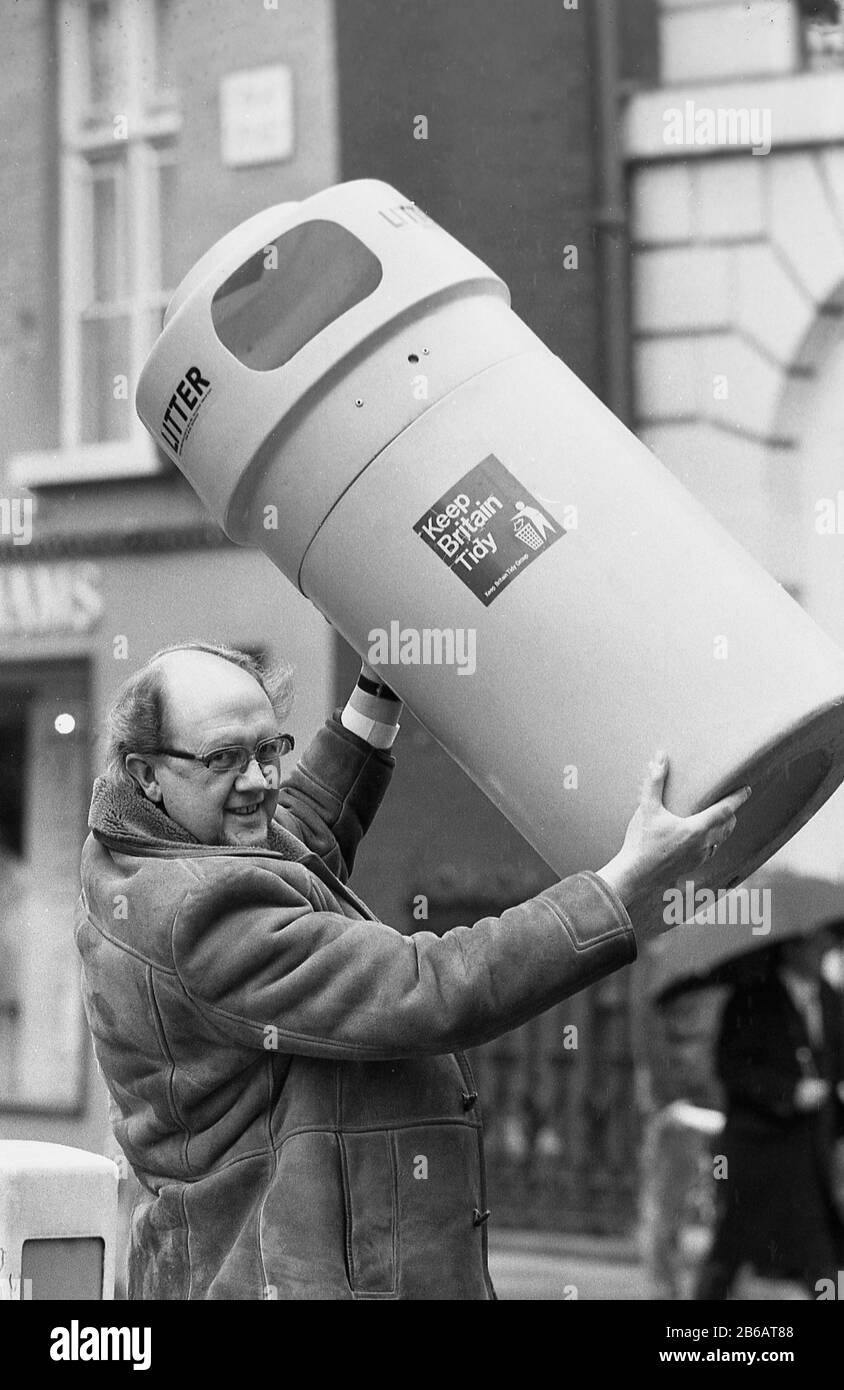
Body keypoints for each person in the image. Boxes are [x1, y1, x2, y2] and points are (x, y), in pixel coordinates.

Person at [74, 641, 749, 1300]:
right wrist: (620, 887)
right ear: (145, 773)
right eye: (223, 758)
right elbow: (423, 989)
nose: (258, 781)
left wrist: (377, 692)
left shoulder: (148, 849)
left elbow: (297, 839)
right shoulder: (197, 912)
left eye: (268, 750)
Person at [693, 932, 844, 1300]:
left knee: (818, 1250)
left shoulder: (831, 998)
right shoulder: (752, 999)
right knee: (731, 1245)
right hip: (758, 1149)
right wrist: (788, 1092)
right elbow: (732, 1069)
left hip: (809, 1152)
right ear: (792, 947)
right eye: (815, 942)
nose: (824, 949)